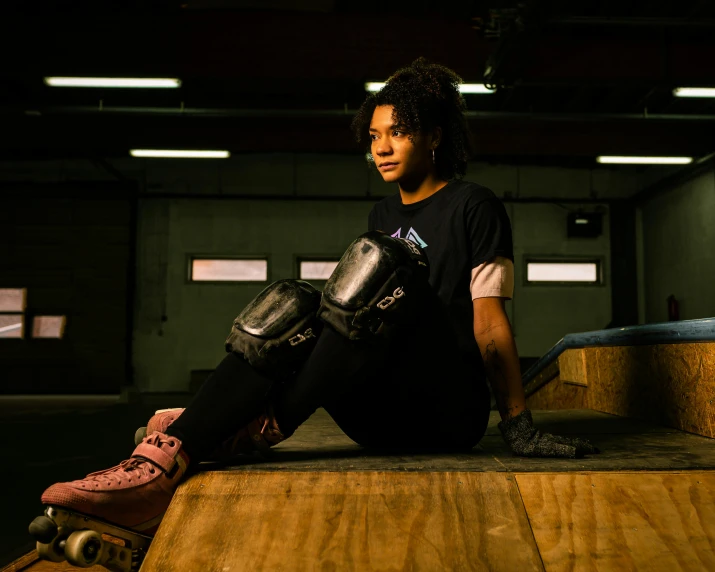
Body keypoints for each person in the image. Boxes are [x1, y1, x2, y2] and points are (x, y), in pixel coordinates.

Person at [29, 57, 599, 566]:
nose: (380, 148)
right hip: (379, 416)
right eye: (374, 135)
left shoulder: (473, 204)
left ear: (434, 137)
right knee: (298, 300)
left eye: (397, 133)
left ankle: (254, 423)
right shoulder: (382, 211)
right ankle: (163, 461)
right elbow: (344, 328)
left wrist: (518, 425)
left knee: (379, 267)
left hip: (448, 409)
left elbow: (489, 322)